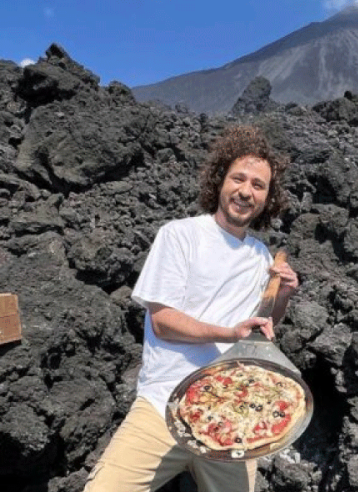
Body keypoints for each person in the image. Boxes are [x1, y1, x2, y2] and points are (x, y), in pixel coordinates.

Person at [84, 125, 299, 492]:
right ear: (220, 181)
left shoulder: (260, 255)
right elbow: (164, 321)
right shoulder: (180, 235)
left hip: (235, 412)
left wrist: (282, 296)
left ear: (267, 198)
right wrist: (229, 333)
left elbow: (262, 324)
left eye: (258, 186)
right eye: (239, 179)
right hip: (164, 403)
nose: (246, 192)